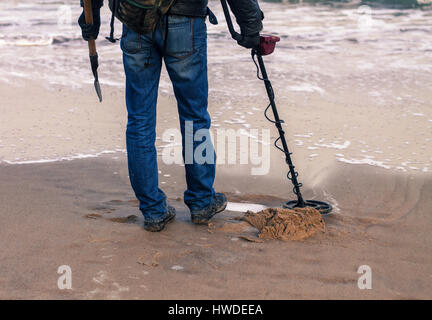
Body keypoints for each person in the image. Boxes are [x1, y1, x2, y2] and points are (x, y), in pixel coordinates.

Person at [78, 0, 264, 232]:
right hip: (185, 22)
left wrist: (90, 19)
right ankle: (201, 202)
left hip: (137, 21)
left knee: (139, 120)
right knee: (194, 117)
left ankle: (153, 210)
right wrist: (251, 25)